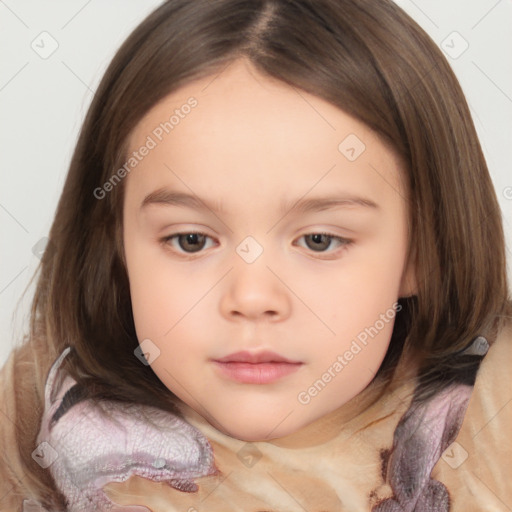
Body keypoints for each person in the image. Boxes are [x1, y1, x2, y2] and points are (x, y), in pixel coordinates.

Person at [1, 0, 511, 510]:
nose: (251, 298)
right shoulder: (27, 431)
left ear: (423, 251)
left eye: (319, 241)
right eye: (191, 240)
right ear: (117, 245)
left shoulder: (496, 429)